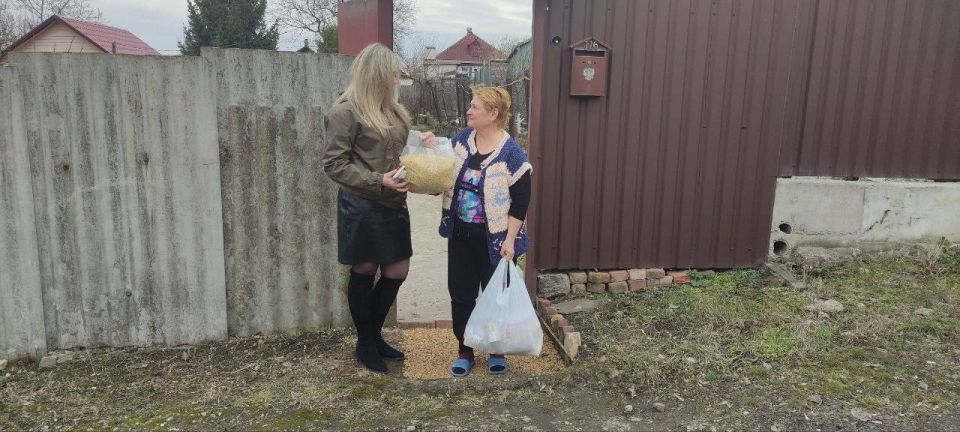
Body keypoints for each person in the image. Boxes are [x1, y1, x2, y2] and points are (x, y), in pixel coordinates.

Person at [323, 43, 435, 373]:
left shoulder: (394, 111)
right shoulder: (345, 111)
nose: (396, 79)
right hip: (362, 204)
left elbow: (398, 147)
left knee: (397, 270)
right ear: (377, 75)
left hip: (392, 203)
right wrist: (378, 180)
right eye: (392, 74)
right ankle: (366, 343)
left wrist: (421, 141)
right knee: (364, 268)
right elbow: (334, 164)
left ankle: (373, 336)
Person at [439, 86, 533, 377]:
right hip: (460, 235)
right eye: (470, 105)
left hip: (495, 241)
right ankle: (465, 350)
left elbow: (521, 201)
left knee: (496, 297)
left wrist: (510, 240)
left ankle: (496, 349)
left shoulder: (511, 154)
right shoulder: (460, 141)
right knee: (461, 295)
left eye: (475, 107)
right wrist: (430, 147)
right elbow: (440, 168)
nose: (469, 111)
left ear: (493, 113)